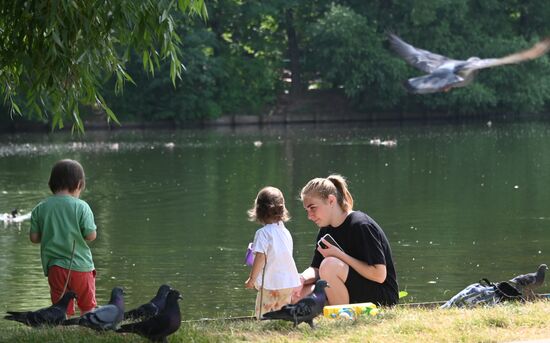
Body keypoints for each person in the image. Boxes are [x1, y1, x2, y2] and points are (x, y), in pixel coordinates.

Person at [296, 174, 398, 306]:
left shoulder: (361, 225)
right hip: (351, 289)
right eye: (307, 210)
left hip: (381, 297)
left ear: (331, 200)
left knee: (329, 265)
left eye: (313, 208)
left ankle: (339, 318)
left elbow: (379, 275)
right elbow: (315, 269)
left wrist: (339, 255)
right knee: (297, 292)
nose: (309, 216)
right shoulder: (325, 229)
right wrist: (301, 278)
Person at [30, 159, 98, 316]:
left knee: (60, 309)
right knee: (87, 307)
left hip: (56, 268)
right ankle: (88, 328)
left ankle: (62, 330)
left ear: (51, 184)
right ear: (79, 184)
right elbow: (90, 235)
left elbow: (34, 238)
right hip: (81, 267)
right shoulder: (82, 206)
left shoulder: (40, 208)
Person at [244, 186, 301, 319]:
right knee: (282, 313)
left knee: (265, 315)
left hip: (270, 284)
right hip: (288, 283)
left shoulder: (263, 233)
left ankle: (265, 330)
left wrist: (252, 279)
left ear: (258, 210)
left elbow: (260, 257)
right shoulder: (285, 232)